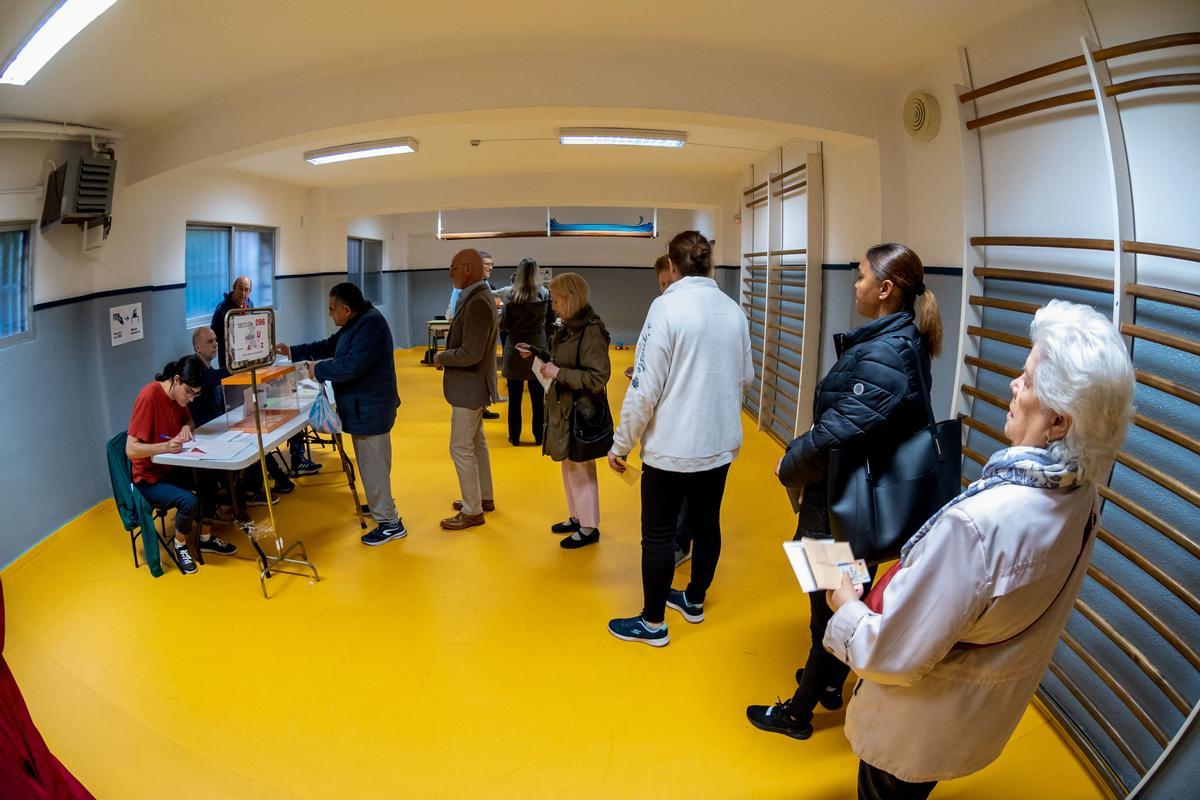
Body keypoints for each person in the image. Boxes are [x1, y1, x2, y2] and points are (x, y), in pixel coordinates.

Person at [822, 300, 1133, 799]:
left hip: (917, 720)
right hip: (965, 714)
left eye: (1028, 381)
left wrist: (846, 605)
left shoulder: (979, 526)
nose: (1014, 385)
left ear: (1059, 423)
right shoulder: (1081, 494)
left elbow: (889, 654)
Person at [746, 242, 944, 739]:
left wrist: (788, 465)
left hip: (839, 510)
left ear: (884, 289)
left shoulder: (886, 354)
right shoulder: (899, 341)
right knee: (841, 593)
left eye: (859, 277)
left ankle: (798, 713)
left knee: (829, 606)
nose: (853, 285)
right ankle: (832, 683)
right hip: (850, 502)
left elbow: (836, 432)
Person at [606, 231, 754, 646]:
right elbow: (746, 377)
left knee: (656, 534)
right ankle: (694, 600)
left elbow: (645, 388)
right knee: (707, 524)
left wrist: (621, 445)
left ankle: (652, 623)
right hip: (719, 443)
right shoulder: (733, 311)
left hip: (672, 450)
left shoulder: (665, 307)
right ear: (708, 264)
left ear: (671, 267)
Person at [276, 282, 405, 546]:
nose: (329, 313)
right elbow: (331, 345)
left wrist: (318, 370)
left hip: (371, 407)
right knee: (374, 463)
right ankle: (381, 504)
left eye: (332, 309)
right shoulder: (357, 322)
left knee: (373, 463)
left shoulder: (370, 325)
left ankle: (391, 523)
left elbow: (353, 365)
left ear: (346, 309)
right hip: (365, 407)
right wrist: (293, 352)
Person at [518, 273, 611, 549]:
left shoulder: (591, 330)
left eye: (557, 300)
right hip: (564, 410)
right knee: (568, 465)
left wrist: (558, 372)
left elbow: (597, 377)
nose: (553, 305)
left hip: (581, 412)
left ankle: (589, 526)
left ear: (570, 299)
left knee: (581, 468)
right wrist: (536, 354)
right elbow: (560, 360)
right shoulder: (568, 327)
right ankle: (577, 516)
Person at [126, 356, 238, 575]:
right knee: (189, 501)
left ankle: (204, 538)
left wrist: (187, 428)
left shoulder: (179, 399)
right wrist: (166, 447)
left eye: (196, 394)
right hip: (147, 478)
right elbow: (131, 449)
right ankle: (180, 545)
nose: (191, 398)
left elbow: (189, 421)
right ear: (176, 380)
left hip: (168, 468)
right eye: (189, 392)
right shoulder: (149, 396)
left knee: (209, 478)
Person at [212, 276, 322, 478]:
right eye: (240, 290)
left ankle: (296, 459)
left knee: (284, 405)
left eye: (247, 290)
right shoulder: (222, 311)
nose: (244, 294)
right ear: (233, 289)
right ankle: (258, 471)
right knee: (246, 415)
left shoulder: (250, 304)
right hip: (235, 370)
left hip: (254, 364)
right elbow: (220, 341)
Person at [190, 325, 292, 503]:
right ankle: (253, 489)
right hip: (205, 432)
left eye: (216, 340)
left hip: (216, 424)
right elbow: (214, 379)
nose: (215, 344)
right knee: (251, 440)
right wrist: (243, 363)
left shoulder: (207, 367)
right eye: (210, 341)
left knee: (253, 435)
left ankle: (272, 481)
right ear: (198, 347)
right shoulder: (196, 369)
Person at [436, 249, 499, 530]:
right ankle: (483, 497)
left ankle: (473, 510)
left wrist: (442, 357)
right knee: (476, 444)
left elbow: (471, 353)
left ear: (467, 269)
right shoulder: (476, 297)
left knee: (460, 447)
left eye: (453, 267)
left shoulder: (477, 303)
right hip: (472, 386)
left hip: (469, 386)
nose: (450, 273)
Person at [500, 258, 553, 446]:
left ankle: (514, 437)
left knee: (514, 398)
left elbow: (505, 325)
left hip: (515, 348)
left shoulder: (511, 296)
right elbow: (550, 322)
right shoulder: (545, 294)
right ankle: (539, 436)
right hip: (537, 348)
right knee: (538, 397)